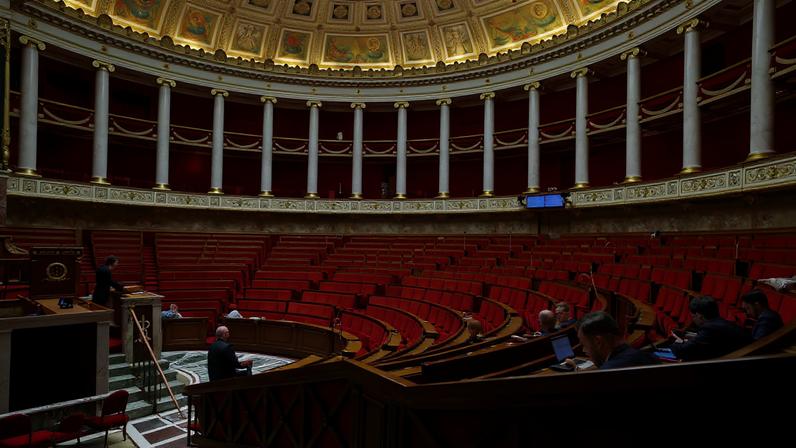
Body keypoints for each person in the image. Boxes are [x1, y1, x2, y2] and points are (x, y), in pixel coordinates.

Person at [670, 296, 751, 361]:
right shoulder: (722, 322)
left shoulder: (709, 328)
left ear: (699, 315)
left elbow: (682, 351)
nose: (693, 320)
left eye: (693, 316)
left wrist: (677, 342)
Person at [571, 311, 657, 370]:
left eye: (584, 345)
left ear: (598, 341)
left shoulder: (608, 373)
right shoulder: (647, 357)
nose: (584, 350)